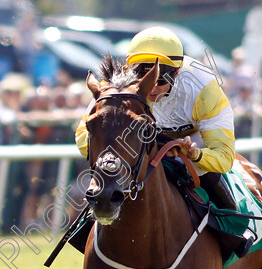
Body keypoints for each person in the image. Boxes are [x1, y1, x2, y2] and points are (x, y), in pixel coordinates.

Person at [75, 26, 237, 211]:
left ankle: (233, 229)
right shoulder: (115, 89)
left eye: (159, 80)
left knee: (209, 179)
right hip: (142, 144)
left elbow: (224, 157)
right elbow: (83, 137)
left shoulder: (203, 90)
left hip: (192, 142)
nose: (151, 89)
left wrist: (195, 154)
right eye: (141, 78)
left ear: (176, 73)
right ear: (129, 71)